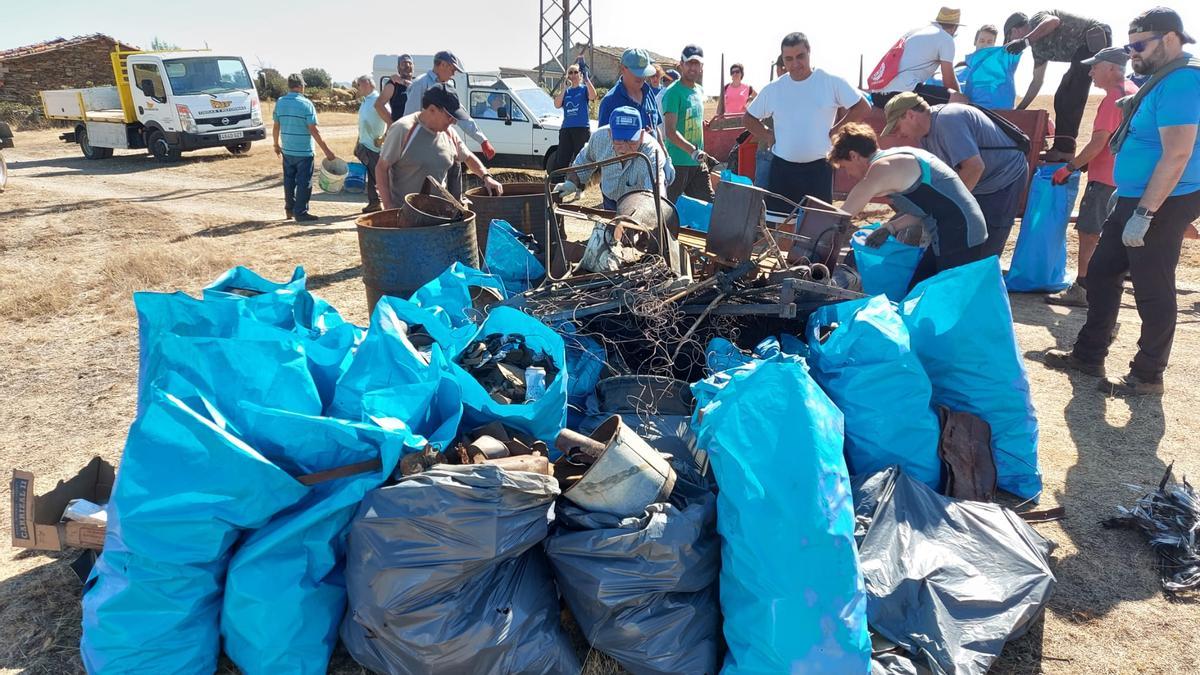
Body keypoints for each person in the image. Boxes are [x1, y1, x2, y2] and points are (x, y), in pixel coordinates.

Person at [1044, 7, 1200, 396]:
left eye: (1139, 45)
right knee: (1101, 273)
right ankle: (1089, 354)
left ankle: (1148, 375)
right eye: (1129, 47)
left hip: (1165, 198)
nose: (1132, 54)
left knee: (1152, 286)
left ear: (1169, 38)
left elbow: (1178, 154)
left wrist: (1145, 211)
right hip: (1135, 196)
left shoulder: (1182, 81)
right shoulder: (1161, 78)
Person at [832, 123, 988, 286]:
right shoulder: (896, 157)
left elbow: (842, 216)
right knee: (918, 290)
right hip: (956, 228)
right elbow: (927, 208)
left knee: (943, 296)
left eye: (844, 167)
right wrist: (890, 227)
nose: (848, 174)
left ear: (854, 155)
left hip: (960, 232)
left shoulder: (882, 168)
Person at [1045, 47, 1139, 307]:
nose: (1090, 72)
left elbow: (1099, 141)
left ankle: (1083, 289)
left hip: (1106, 179)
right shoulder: (1130, 90)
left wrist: (1070, 167)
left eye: (1094, 67)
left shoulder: (1113, 99)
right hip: (1123, 178)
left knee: (1089, 233)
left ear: (1110, 68)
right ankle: (1107, 286)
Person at [882, 93, 1028, 258]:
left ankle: (982, 280)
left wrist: (947, 206)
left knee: (985, 246)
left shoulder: (948, 121)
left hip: (1004, 177)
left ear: (910, 115)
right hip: (978, 181)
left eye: (897, 127)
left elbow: (974, 167)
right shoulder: (924, 137)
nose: (898, 134)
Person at [744, 32, 870, 209]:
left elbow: (862, 107)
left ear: (809, 52)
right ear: (783, 60)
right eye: (789, 59)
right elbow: (749, 119)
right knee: (781, 227)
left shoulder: (830, 82)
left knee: (815, 228)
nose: (795, 64)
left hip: (819, 170)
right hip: (782, 170)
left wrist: (836, 130)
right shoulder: (774, 89)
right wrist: (767, 134)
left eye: (800, 56)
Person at [1005, 10, 1112, 160]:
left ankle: (1065, 151)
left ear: (1015, 30)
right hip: (1081, 53)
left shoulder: (1036, 20)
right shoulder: (1038, 51)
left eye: (1009, 37)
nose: (1011, 42)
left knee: (1070, 94)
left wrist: (1025, 41)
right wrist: (1020, 109)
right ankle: (1061, 148)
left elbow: (1054, 21)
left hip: (1094, 36)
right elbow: (1037, 82)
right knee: (1061, 97)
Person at [376, 85, 502, 211]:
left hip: (438, 216)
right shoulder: (404, 130)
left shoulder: (449, 133)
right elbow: (381, 168)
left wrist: (486, 177)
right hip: (405, 217)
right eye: (449, 116)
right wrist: (388, 206)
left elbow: (468, 157)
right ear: (431, 109)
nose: (453, 121)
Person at [553, 105, 668, 210]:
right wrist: (572, 182)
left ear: (642, 135)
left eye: (631, 141)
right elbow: (584, 160)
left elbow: (652, 196)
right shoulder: (600, 138)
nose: (624, 148)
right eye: (619, 140)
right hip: (610, 199)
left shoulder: (651, 153)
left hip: (638, 206)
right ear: (610, 134)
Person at [403, 51, 496, 160]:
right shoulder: (420, 84)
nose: (453, 74)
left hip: (441, 141)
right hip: (422, 146)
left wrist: (482, 140)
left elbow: (460, 114)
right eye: (452, 70)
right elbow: (409, 119)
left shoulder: (448, 86)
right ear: (443, 65)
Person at [272, 73, 335, 222]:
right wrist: (327, 151)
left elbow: (276, 126)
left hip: (287, 149)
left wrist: (276, 144)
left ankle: (289, 209)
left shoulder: (280, 102)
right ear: (300, 86)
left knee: (289, 181)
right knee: (304, 183)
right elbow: (314, 130)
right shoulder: (306, 104)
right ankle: (300, 212)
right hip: (304, 151)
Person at [870, 7, 963, 107]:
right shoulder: (946, 38)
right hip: (902, 92)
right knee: (960, 99)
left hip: (877, 94)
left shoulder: (915, 31)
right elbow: (949, 81)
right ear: (954, 28)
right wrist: (959, 96)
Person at [662, 44, 714, 203]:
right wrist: (693, 151)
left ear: (702, 67)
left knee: (708, 205)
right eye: (689, 63)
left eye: (696, 63)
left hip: (697, 163)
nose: (693, 67)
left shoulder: (699, 90)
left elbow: (691, 119)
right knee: (668, 210)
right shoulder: (673, 93)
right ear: (681, 64)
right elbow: (670, 132)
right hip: (677, 163)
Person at [961, 24, 1023, 109]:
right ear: (975, 42)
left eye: (989, 42)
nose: (985, 45)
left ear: (994, 44)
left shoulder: (1002, 65)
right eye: (982, 41)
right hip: (973, 114)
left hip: (1000, 115)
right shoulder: (961, 71)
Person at [552, 58, 596, 174]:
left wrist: (587, 80)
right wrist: (564, 89)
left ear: (580, 74)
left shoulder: (584, 89)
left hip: (581, 128)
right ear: (568, 76)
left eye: (575, 72)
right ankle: (559, 182)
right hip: (566, 128)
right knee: (562, 158)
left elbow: (592, 96)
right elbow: (556, 104)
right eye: (570, 72)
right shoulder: (567, 92)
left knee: (580, 157)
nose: (573, 74)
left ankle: (579, 186)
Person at [354, 75, 388, 213]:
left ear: (367, 84)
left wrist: (383, 137)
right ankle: (374, 202)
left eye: (359, 85)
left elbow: (391, 121)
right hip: (365, 144)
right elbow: (362, 123)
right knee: (372, 175)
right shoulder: (366, 101)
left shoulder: (378, 100)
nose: (358, 88)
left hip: (374, 147)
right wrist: (358, 142)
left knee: (376, 177)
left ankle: (379, 203)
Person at [752, 55, 787, 190]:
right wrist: (769, 136)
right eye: (783, 68)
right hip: (768, 150)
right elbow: (750, 118)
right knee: (761, 192)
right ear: (779, 69)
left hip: (785, 153)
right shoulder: (771, 90)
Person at [375, 54, 414, 124]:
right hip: (400, 129)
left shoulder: (417, 83)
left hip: (414, 128)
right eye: (403, 64)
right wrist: (391, 123)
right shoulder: (393, 84)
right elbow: (378, 104)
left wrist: (404, 82)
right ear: (398, 68)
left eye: (410, 63)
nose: (407, 66)